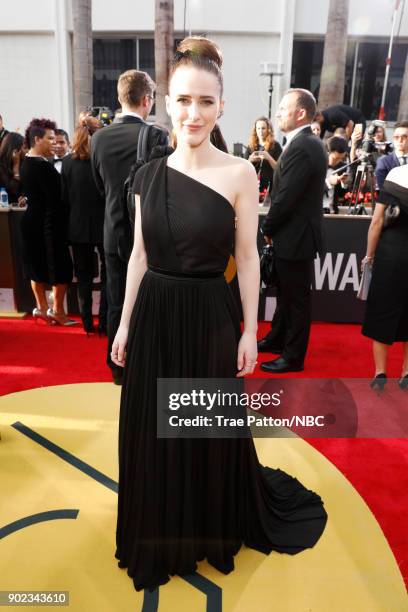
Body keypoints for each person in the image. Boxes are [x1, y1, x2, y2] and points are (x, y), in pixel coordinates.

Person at [111, 37, 327, 592]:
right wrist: (125, 322)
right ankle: (161, 529)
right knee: (155, 433)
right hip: (156, 313)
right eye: (183, 100)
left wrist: (250, 330)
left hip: (210, 314)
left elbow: (250, 258)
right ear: (166, 104)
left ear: (222, 106)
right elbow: (138, 255)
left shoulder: (239, 173)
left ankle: (204, 528)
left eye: (205, 102)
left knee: (202, 430)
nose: (193, 113)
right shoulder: (148, 175)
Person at [91, 69, 168, 385]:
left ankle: (118, 369)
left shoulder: (98, 138)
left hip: (112, 232)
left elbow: (100, 186)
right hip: (148, 235)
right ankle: (146, 366)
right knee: (148, 303)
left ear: (121, 99)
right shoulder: (156, 136)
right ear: (147, 100)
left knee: (116, 302)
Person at [259, 89, 327, 373]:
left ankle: (293, 356)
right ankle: (277, 339)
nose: (277, 113)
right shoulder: (303, 143)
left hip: (295, 235)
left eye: (284, 108)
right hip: (293, 235)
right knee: (286, 294)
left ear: (301, 113)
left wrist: (268, 227)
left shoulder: (303, 145)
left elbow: (286, 196)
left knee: (296, 299)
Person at [20, 118, 75, 325]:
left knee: (36, 267)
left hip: (32, 221)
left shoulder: (27, 161)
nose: (54, 142)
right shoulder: (43, 166)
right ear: (37, 139)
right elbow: (56, 201)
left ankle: (42, 308)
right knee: (61, 269)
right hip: (48, 223)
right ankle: (58, 312)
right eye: (50, 138)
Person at [361, 164, 408, 391]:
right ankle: (407, 373)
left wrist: (369, 257)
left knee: (382, 312)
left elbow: (377, 221)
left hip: (390, 255)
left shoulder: (395, 175)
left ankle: (380, 372)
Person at [61, 112, 107, 334]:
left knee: (84, 277)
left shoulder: (67, 164)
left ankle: (87, 323)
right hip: (102, 226)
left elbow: (64, 199)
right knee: (109, 275)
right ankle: (106, 321)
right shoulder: (101, 161)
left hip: (77, 228)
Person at [245, 116, 282, 197]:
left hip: (270, 188)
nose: (260, 131)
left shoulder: (275, 146)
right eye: (258, 128)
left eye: (263, 128)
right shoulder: (251, 146)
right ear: (255, 130)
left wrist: (268, 157)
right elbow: (243, 169)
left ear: (268, 130)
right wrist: (250, 160)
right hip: (253, 187)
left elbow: (280, 169)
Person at [375, 121, 408, 190]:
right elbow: (382, 188)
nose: (400, 140)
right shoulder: (383, 161)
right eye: (396, 137)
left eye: (404, 137)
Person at [323, 136, 350, 214]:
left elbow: (341, 195)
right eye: (335, 158)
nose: (337, 161)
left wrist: (343, 183)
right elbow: (312, 190)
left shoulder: (342, 167)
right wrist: (329, 182)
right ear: (327, 152)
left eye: (341, 158)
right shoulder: (318, 165)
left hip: (333, 211)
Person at [0, 132, 26, 205]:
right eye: (24, 148)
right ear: (15, 151)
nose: (27, 151)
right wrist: (15, 167)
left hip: (21, 208)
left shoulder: (24, 163)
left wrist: (25, 198)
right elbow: (13, 191)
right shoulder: (1, 166)